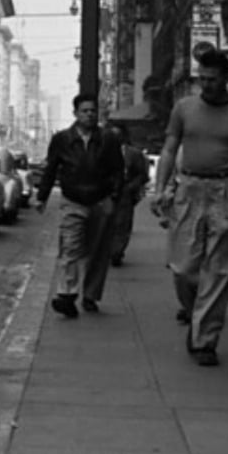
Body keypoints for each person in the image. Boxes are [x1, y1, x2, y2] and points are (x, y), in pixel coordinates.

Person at [150, 48, 228, 367]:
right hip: (190, 189)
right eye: (202, 79)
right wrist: (160, 189)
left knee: (221, 270)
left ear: (226, 78)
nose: (206, 85)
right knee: (183, 267)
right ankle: (196, 312)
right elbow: (169, 150)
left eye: (212, 79)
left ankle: (204, 339)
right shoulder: (184, 108)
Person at [34, 93, 124, 318]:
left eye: (93, 111)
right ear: (75, 113)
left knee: (97, 252)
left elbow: (118, 171)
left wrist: (114, 197)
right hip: (72, 202)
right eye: (84, 111)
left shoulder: (109, 139)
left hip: (101, 201)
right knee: (70, 248)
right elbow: (51, 169)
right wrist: (42, 196)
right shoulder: (62, 139)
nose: (89, 115)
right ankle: (66, 294)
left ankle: (91, 295)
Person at [107, 123, 149, 267]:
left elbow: (142, 175)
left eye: (117, 134)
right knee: (107, 223)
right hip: (106, 192)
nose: (115, 137)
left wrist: (131, 187)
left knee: (122, 224)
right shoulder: (102, 151)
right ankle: (108, 250)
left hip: (125, 192)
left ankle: (117, 252)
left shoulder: (134, 154)